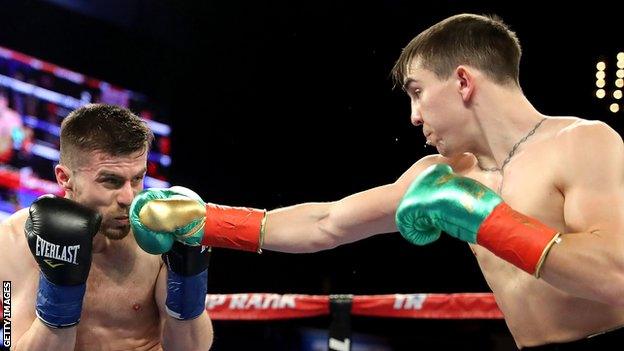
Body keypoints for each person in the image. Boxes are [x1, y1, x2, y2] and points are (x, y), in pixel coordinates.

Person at [131, 13, 624, 349]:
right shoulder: (444, 174)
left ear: (463, 81)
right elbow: (327, 223)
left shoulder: (582, 143)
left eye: (417, 92)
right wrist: (205, 221)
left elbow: (614, 279)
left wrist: (486, 221)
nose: (413, 116)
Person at [0, 104, 213, 351]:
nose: (129, 197)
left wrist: (189, 281)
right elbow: (11, 343)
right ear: (64, 178)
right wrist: (59, 297)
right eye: (111, 181)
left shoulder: (159, 235)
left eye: (137, 179)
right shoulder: (14, 240)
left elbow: (191, 348)